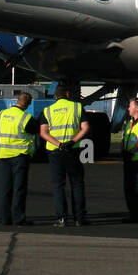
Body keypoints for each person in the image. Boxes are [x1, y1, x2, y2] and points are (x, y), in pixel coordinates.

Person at [39, 84, 90, 227]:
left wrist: (59, 144)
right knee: (77, 183)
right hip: (73, 150)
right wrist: (72, 141)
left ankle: (61, 218)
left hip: (55, 151)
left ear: (55, 95)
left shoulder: (48, 110)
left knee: (58, 186)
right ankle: (79, 218)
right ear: (67, 94)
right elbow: (85, 127)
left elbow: (43, 132)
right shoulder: (77, 107)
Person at [0, 91, 37, 226]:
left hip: (3, 154)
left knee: (5, 188)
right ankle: (18, 218)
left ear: (17, 100)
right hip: (19, 156)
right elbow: (35, 130)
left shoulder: (1, 114)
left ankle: (4, 218)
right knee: (19, 188)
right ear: (28, 104)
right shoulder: (26, 118)